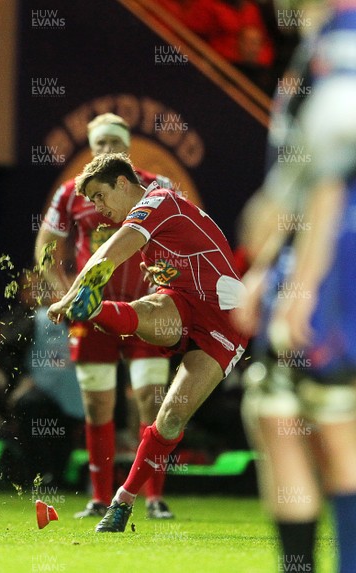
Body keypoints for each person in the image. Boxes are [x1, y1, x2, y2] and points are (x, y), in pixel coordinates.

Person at [47, 152, 247, 532]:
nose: (98, 208)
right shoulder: (155, 218)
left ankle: (124, 499)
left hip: (224, 316)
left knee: (171, 418)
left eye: (100, 196)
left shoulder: (156, 201)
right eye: (91, 201)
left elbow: (107, 254)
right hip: (181, 302)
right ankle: (95, 310)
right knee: (151, 307)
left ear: (123, 183)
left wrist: (69, 296)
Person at [234, 2, 356, 570]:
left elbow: (336, 149)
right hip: (313, 258)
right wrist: (265, 270)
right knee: (279, 412)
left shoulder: (344, 32)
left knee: (333, 424)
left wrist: (303, 284)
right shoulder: (314, 45)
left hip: (337, 262)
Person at [35, 113, 174, 520]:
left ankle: (153, 498)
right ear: (90, 149)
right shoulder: (69, 194)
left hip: (144, 312)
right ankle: (99, 497)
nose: (107, 150)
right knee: (98, 406)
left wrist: (168, 285)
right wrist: (64, 292)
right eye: (99, 144)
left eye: (114, 142)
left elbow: (178, 235)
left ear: (127, 148)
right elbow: (46, 245)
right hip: (92, 315)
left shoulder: (156, 187)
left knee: (153, 402)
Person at [0, 271, 85, 487]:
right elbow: (5, 352)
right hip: (42, 395)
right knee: (32, 408)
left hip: (76, 395)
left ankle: (58, 479)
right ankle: (39, 476)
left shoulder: (82, 318)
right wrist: (22, 378)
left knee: (63, 438)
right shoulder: (32, 320)